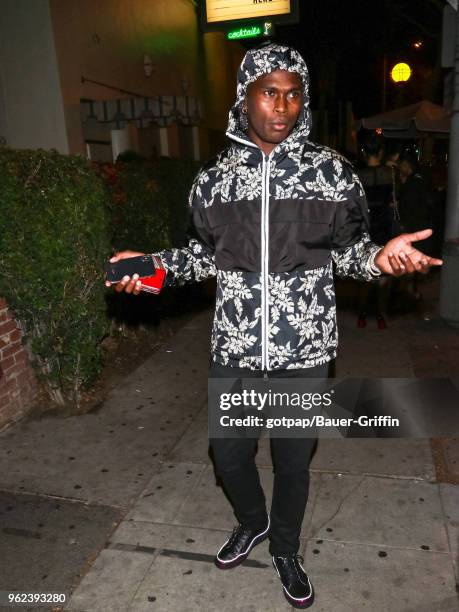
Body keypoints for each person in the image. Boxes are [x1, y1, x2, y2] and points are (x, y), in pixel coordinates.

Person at [106, 44, 442, 609]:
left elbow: (351, 251)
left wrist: (381, 260)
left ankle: (285, 546)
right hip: (235, 349)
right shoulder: (212, 182)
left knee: (293, 462)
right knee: (229, 457)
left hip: (303, 352)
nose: (282, 106)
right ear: (245, 98)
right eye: (269, 92)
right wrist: (149, 271)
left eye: (293, 94)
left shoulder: (332, 174)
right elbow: (199, 258)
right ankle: (253, 521)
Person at [356, 134, 393, 329]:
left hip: (365, 228)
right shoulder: (389, 173)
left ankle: (362, 315)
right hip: (384, 228)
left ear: (364, 152)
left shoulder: (358, 175)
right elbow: (392, 203)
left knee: (366, 273)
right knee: (383, 274)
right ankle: (380, 316)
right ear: (380, 151)